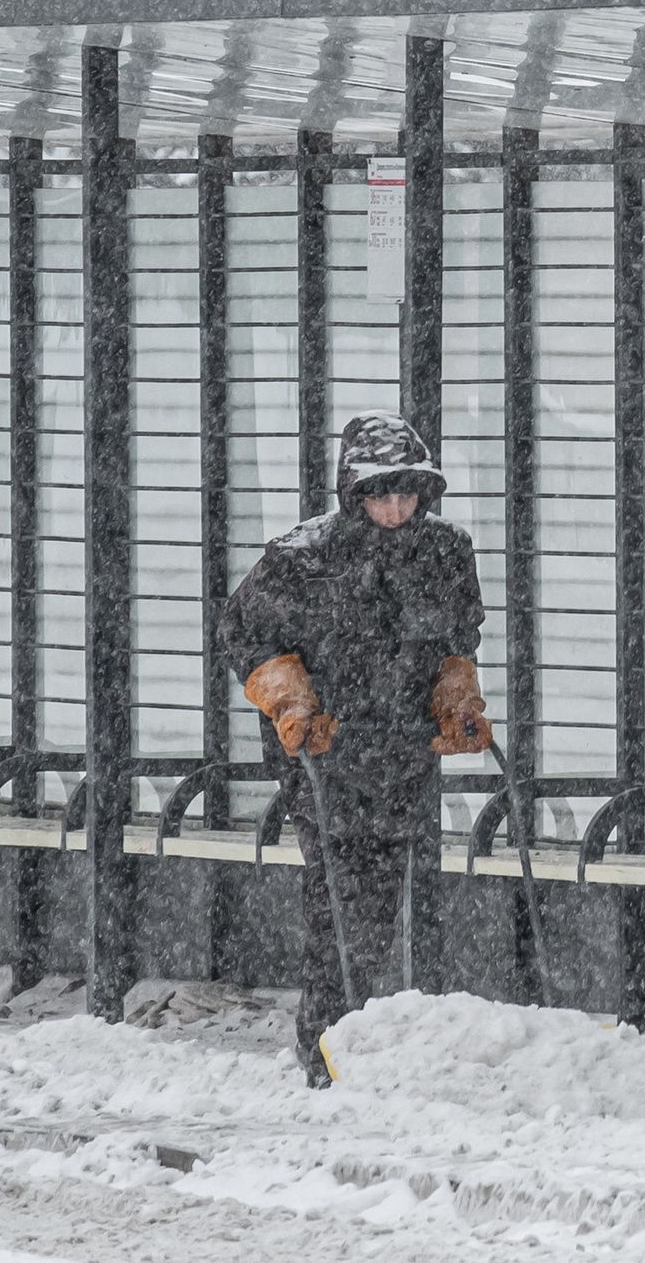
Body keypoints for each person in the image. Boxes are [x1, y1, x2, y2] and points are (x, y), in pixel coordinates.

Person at [218, 413, 489, 1085]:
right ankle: (326, 1039)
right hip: (324, 749)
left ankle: (374, 1025)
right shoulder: (299, 557)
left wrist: (457, 693)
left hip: (402, 748)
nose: (396, 509)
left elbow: (458, 638)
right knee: (338, 888)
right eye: (381, 495)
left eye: (407, 495)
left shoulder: (446, 552)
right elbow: (241, 632)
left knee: (385, 890)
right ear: (352, 494)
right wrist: (288, 694)